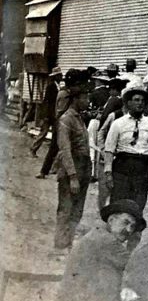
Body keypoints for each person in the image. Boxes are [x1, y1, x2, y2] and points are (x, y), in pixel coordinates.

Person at [51, 200, 145, 301]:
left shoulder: (98, 234)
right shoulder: (106, 240)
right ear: (111, 220)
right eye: (126, 222)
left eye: (132, 227)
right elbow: (136, 267)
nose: (129, 230)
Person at [104, 85, 148, 212]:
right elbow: (109, 150)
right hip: (122, 166)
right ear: (128, 103)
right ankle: (117, 231)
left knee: (138, 204)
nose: (140, 103)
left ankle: (135, 232)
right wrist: (108, 173)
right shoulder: (118, 123)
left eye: (142, 101)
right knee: (119, 202)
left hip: (142, 167)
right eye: (136, 100)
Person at [53, 72, 92, 251]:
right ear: (76, 99)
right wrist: (73, 176)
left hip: (83, 166)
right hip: (72, 168)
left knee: (78, 209)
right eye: (85, 97)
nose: (88, 101)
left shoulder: (79, 118)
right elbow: (65, 150)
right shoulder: (66, 119)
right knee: (66, 208)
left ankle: (68, 243)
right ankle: (61, 245)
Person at [31, 67, 63, 158]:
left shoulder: (57, 86)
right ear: (56, 76)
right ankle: (33, 148)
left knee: (55, 133)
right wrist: (46, 115)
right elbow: (47, 102)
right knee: (43, 132)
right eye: (59, 75)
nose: (61, 77)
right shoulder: (51, 86)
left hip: (54, 114)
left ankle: (52, 153)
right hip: (49, 114)